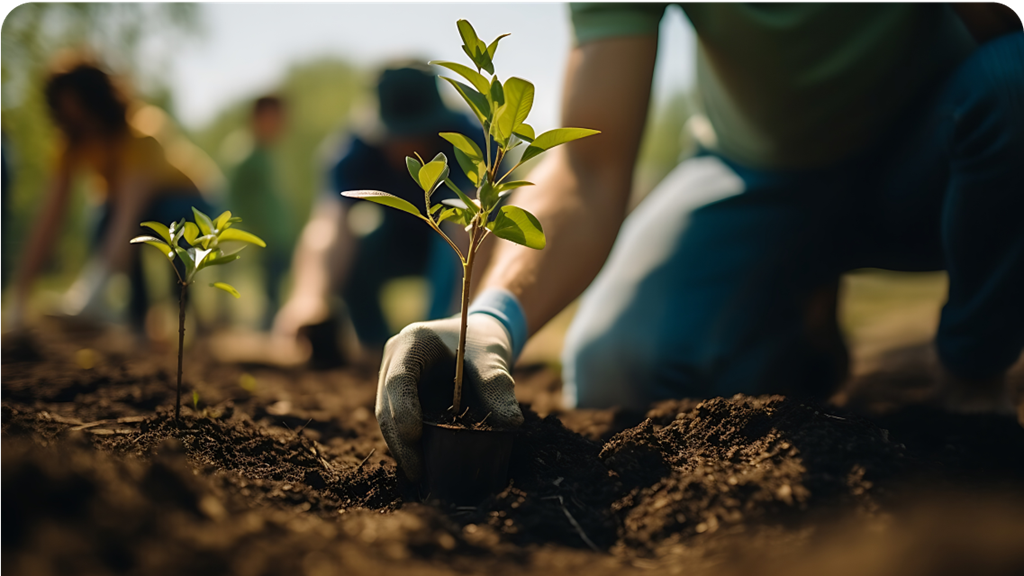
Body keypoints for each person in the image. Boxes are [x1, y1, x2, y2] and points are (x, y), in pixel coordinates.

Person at [375, 2, 1024, 482]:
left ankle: (974, 371)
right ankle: (797, 314)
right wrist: (492, 318)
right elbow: (588, 165)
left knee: (1011, 85)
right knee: (617, 371)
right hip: (756, 176)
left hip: (939, 158)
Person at [272, 64, 485, 365]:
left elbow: (479, 229)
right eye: (397, 135)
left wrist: (460, 325)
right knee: (358, 237)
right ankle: (377, 350)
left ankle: (440, 341)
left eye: (418, 133)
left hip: (452, 250)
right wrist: (308, 298)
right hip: (392, 244)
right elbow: (329, 226)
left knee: (459, 227)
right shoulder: (353, 150)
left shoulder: (471, 141)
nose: (407, 145)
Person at [8, 59, 219, 333]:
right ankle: (138, 325)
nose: (76, 120)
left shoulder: (141, 133)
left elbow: (127, 217)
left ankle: (188, 321)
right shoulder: (72, 144)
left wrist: (89, 294)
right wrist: (20, 293)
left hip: (190, 200)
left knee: (166, 233)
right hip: (136, 207)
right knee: (102, 219)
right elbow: (48, 219)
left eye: (81, 109)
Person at [226, 95, 292, 329]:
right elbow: (232, 198)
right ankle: (263, 330)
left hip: (277, 236)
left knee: (278, 288)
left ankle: (273, 327)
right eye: (274, 117)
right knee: (266, 290)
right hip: (259, 238)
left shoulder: (267, 153)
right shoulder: (245, 154)